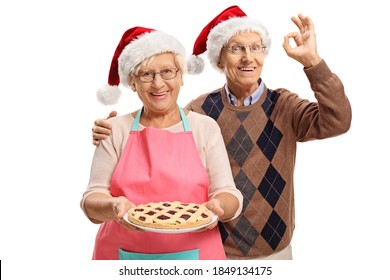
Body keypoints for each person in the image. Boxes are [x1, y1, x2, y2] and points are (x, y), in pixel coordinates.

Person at [91, 6, 352, 260]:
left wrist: (313, 63)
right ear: (219, 58)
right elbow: (160, 119)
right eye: (237, 49)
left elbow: (337, 120)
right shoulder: (201, 109)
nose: (248, 58)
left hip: (272, 249)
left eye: (255, 48)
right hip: (215, 246)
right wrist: (108, 132)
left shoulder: (285, 106)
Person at [80, 26, 243, 260]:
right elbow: (91, 200)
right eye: (146, 74)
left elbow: (229, 194)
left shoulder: (204, 128)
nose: (158, 84)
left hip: (197, 256)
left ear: (181, 77)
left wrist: (219, 207)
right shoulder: (115, 129)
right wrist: (113, 206)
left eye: (167, 72)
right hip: (121, 255)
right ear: (132, 82)